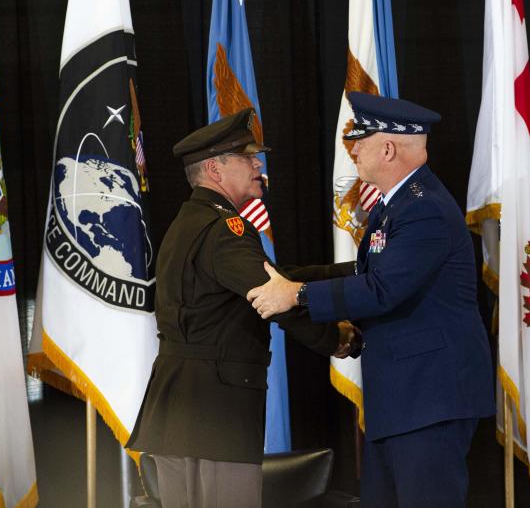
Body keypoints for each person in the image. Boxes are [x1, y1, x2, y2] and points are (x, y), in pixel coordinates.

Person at [247, 92, 495, 507]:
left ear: (388, 147)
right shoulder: (397, 206)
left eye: (360, 140)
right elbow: (368, 275)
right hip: (404, 400)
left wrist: (297, 294)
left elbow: (382, 290)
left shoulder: (424, 209)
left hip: (428, 399)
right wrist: (294, 277)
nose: (353, 148)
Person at [127, 108, 358, 508]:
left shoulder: (191, 221)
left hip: (179, 411)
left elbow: (274, 277)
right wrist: (336, 338)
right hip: (215, 417)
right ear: (216, 169)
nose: (257, 164)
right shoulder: (224, 230)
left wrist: (353, 272)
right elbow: (272, 296)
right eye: (246, 157)